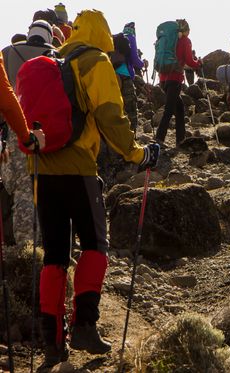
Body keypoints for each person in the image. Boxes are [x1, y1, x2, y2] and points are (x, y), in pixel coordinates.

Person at [20, 10, 159, 369]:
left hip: (41, 170)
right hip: (79, 169)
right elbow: (112, 116)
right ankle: (85, 325)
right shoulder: (95, 62)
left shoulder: (53, 60)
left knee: (54, 253)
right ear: (103, 36)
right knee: (95, 244)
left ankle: (53, 341)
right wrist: (138, 154)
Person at [1, 20, 55, 246]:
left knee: (13, 185)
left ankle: (15, 242)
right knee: (33, 186)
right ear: (49, 36)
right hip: (38, 128)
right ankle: (34, 244)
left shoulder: (7, 52)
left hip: (10, 127)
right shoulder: (54, 56)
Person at [155, 19, 201, 146]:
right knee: (169, 109)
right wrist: (198, 63)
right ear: (186, 30)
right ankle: (159, 138)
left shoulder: (168, 40)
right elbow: (189, 61)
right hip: (174, 79)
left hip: (163, 79)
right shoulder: (185, 41)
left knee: (179, 108)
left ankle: (180, 140)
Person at [115, 22, 146, 133]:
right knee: (130, 108)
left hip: (113, 75)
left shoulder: (116, 39)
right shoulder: (131, 38)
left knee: (118, 107)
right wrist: (143, 64)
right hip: (125, 75)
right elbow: (135, 59)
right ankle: (132, 136)